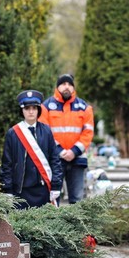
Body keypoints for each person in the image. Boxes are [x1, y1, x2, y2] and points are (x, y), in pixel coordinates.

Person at [0, 90, 63, 208]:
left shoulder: (46, 131)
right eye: (27, 108)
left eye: (34, 108)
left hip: (43, 190)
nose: (31, 111)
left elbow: (55, 160)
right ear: (22, 110)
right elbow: (7, 165)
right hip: (21, 190)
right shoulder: (13, 133)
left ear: (38, 110)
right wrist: (7, 189)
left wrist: (56, 186)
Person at [39, 73, 94, 204]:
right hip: (55, 159)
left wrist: (74, 151)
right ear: (57, 87)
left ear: (74, 88)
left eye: (70, 84)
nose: (67, 87)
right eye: (63, 84)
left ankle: (77, 225)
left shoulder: (85, 108)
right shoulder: (45, 107)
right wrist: (60, 151)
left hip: (77, 159)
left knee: (77, 200)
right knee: (52, 198)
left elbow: (88, 132)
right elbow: (44, 132)